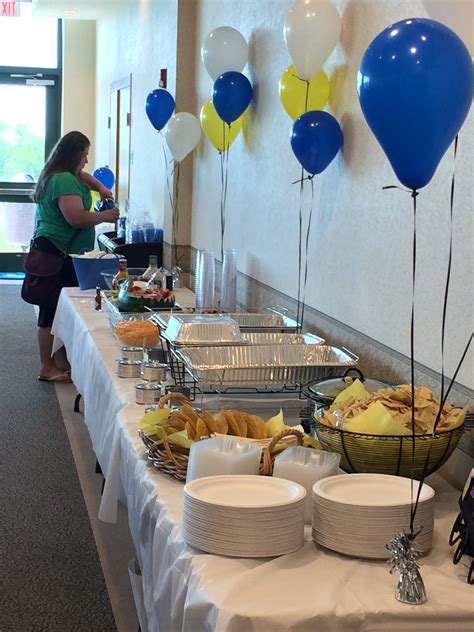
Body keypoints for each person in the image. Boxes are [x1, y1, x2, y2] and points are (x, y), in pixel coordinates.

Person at [31, 130, 119, 382]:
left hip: (59, 252)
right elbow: (77, 218)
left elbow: (85, 176)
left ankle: (59, 361)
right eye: (84, 155)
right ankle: (47, 366)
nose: (87, 160)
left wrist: (101, 187)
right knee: (50, 310)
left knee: (61, 309)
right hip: (58, 254)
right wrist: (106, 216)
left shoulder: (65, 175)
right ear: (74, 155)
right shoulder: (63, 181)